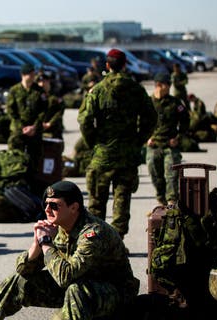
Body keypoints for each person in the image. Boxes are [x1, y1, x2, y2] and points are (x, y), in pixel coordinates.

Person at [0, 181, 139, 320]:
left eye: (54, 205)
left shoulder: (93, 233)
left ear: (74, 207)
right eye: (46, 204)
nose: (47, 209)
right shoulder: (60, 227)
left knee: (75, 290)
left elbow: (66, 276)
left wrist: (46, 243)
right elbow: (23, 270)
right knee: (20, 282)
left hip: (114, 293)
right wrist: (37, 244)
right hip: (78, 287)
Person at [77, 48, 157, 238]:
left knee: (97, 202)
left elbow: (85, 120)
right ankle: (118, 241)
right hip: (127, 154)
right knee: (122, 200)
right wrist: (138, 140)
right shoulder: (136, 89)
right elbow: (151, 118)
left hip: (103, 154)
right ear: (125, 65)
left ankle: (95, 243)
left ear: (107, 66)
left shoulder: (97, 90)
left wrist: (93, 142)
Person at [147, 73, 190, 206]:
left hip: (170, 145)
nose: (170, 87)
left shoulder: (175, 102)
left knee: (171, 175)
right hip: (154, 145)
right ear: (159, 85)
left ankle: (171, 202)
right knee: (155, 175)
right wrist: (146, 138)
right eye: (167, 85)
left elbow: (185, 120)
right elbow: (139, 122)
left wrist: (179, 137)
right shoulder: (148, 103)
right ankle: (161, 199)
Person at [6, 63, 47, 192]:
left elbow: (43, 111)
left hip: (34, 130)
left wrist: (34, 127)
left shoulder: (39, 91)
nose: (34, 76)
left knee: (34, 159)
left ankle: (33, 187)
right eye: (31, 73)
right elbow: (11, 111)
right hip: (18, 131)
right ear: (24, 75)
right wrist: (22, 127)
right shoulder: (14, 90)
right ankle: (17, 185)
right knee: (16, 157)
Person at [37, 72, 65, 139]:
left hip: (54, 128)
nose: (42, 84)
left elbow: (60, 111)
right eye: (40, 82)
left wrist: (50, 123)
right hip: (39, 128)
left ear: (48, 81)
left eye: (44, 81)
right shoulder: (36, 95)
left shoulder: (55, 95)